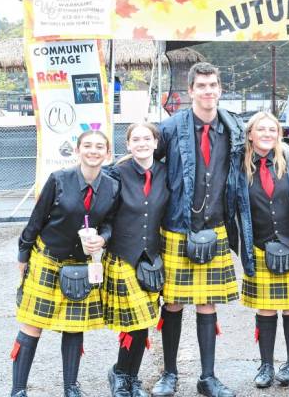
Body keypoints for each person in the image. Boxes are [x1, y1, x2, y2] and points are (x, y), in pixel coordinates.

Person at [152, 62, 244, 397]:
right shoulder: (170, 128)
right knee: (173, 302)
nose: (208, 91)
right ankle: (169, 374)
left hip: (215, 226)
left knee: (208, 304)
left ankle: (208, 378)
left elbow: (264, 151)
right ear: (190, 91)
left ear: (220, 88)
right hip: (177, 227)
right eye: (201, 86)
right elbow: (144, 165)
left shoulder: (233, 126)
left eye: (213, 85)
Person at [10, 130, 119, 397]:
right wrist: (23, 256)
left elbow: (109, 223)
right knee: (32, 324)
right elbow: (36, 220)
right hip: (48, 258)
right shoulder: (59, 179)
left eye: (99, 147)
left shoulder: (112, 186)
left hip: (80, 265)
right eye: (88, 146)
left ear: (107, 154)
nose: (93, 151)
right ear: (78, 151)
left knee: (74, 325)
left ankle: (71, 387)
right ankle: (18, 389)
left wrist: (102, 240)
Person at [236, 112, 289, 389]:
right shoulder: (239, 163)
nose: (268, 133)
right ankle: (266, 366)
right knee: (266, 309)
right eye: (261, 129)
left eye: (272, 129)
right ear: (250, 134)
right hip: (259, 246)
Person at [104, 123, 169, 397]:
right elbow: (104, 215)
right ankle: (122, 375)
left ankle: (127, 376)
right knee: (135, 321)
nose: (142, 143)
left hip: (151, 257)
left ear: (156, 143)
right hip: (122, 256)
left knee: (142, 322)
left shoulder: (167, 173)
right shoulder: (116, 174)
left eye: (147, 138)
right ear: (128, 145)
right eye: (136, 139)